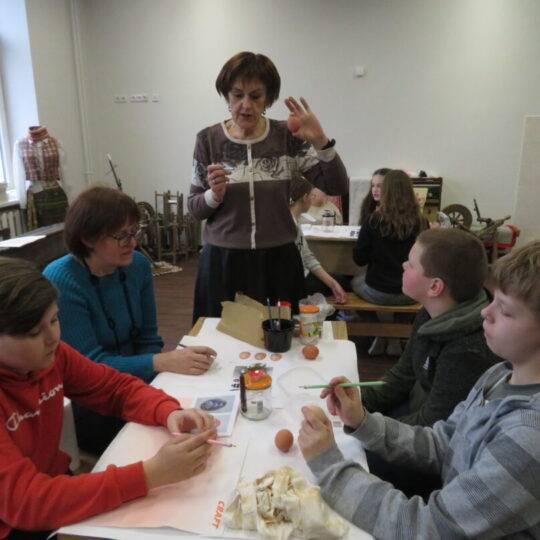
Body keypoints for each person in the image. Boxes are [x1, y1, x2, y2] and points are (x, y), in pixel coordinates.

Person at [297, 240, 540, 539]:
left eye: (505, 311)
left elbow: (425, 527)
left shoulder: (529, 437)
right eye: (493, 300)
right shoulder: (500, 374)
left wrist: (328, 465)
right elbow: (442, 443)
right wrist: (363, 421)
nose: (485, 313)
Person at [0, 257, 217, 540]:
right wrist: (149, 475)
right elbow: (26, 502)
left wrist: (168, 411)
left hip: (52, 485)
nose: (52, 337)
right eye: (33, 333)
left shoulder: (53, 356)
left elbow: (114, 388)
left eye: (54, 320)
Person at [44, 186, 216, 453]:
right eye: (122, 236)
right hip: (94, 402)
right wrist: (160, 363)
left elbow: (148, 338)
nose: (133, 243)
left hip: (134, 385)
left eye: (134, 232)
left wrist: (156, 379)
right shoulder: (61, 280)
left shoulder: (137, 265)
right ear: (88, 238)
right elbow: (90, 368)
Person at [187, 51, 349, 323]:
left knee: (281, 338)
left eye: (255, 96)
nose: (245, 105)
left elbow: (336, 185)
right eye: (237, 95)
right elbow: (194, 208)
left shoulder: (287, 137)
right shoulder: (208, 140)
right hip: (223, 262)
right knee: (221, 340)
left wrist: (321, 140)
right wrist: (213, 195)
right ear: (227, 95)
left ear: (268, 99)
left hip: (278, 262)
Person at [352, 169, 427, 356]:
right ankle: (395, 336)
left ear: (386, 191)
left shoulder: (373, 220)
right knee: (408, 289)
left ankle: (380, 332)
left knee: (353, 282)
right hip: (410, 293)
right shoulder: (421, 222)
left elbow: (359, 259)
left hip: (378, 291)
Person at [289, 176, 347, 303]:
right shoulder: (288, 225)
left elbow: (307, 257)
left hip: (303, 276)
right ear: (305, 197)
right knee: (345, 283)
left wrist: (332, 283)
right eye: (311, 195)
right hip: (297, 284)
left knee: (339, 280)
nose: (312, 199)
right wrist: (332, 283)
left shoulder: (295, 220)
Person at [13, 125, 70, 230]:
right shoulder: (20, 145)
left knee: (62, 228)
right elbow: (19, 174)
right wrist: (23, 202)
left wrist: (69, 195)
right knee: (43, 231)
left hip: (57, 192)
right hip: (36, 194)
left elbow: (64, 172)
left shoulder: (56, 143)